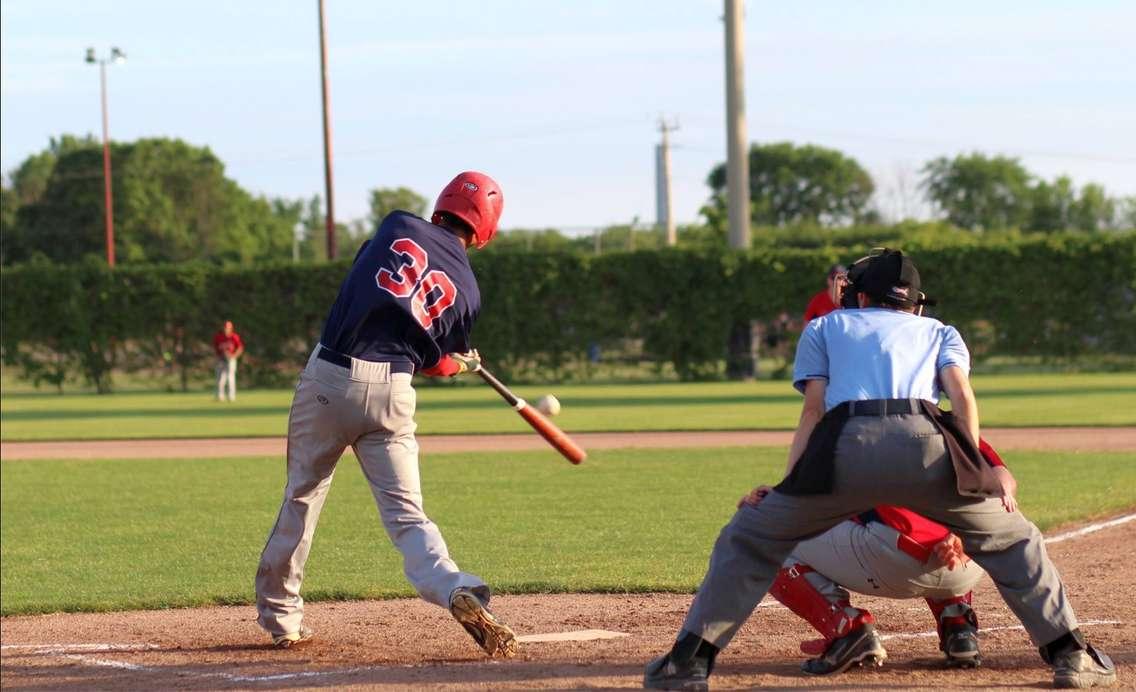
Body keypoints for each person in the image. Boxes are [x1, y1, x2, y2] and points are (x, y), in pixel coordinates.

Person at [644, 249, 1117, 690]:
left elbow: (813, 412)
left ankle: (688, 662)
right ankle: (1070, 654)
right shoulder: (939, 330)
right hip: (926, 440)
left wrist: (788, 489)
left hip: (846, 442)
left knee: (752, 537)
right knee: (1014, 540)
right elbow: (962, 399)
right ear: (914, 303)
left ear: (860, 294)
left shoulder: (826, 327)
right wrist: (971, 470)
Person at [254, 171, 518, 658]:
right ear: (485, 231)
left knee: (303, 498)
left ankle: (283, 619)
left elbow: (371, 278)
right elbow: (435, 362)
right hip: (393, 393)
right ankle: (453, 586)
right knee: (408, 517)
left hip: (331, 381)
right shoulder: (469, 291)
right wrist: (460, 364)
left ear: (441, 205)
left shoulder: (398, 224)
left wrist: (447, 359)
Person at [213, 320, 244, 402]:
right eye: (225, 327)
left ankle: (231, 396)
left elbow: (240, 348)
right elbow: (215, 349)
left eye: (227, 327)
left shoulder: (234, 337)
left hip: (231, 359)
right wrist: (218, 357)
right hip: (221, 359)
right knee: (220, 378)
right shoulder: (218, 337)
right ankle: (220, 396)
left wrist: (233, 356)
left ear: (231, 328)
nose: (225, 329)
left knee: (230, 378)